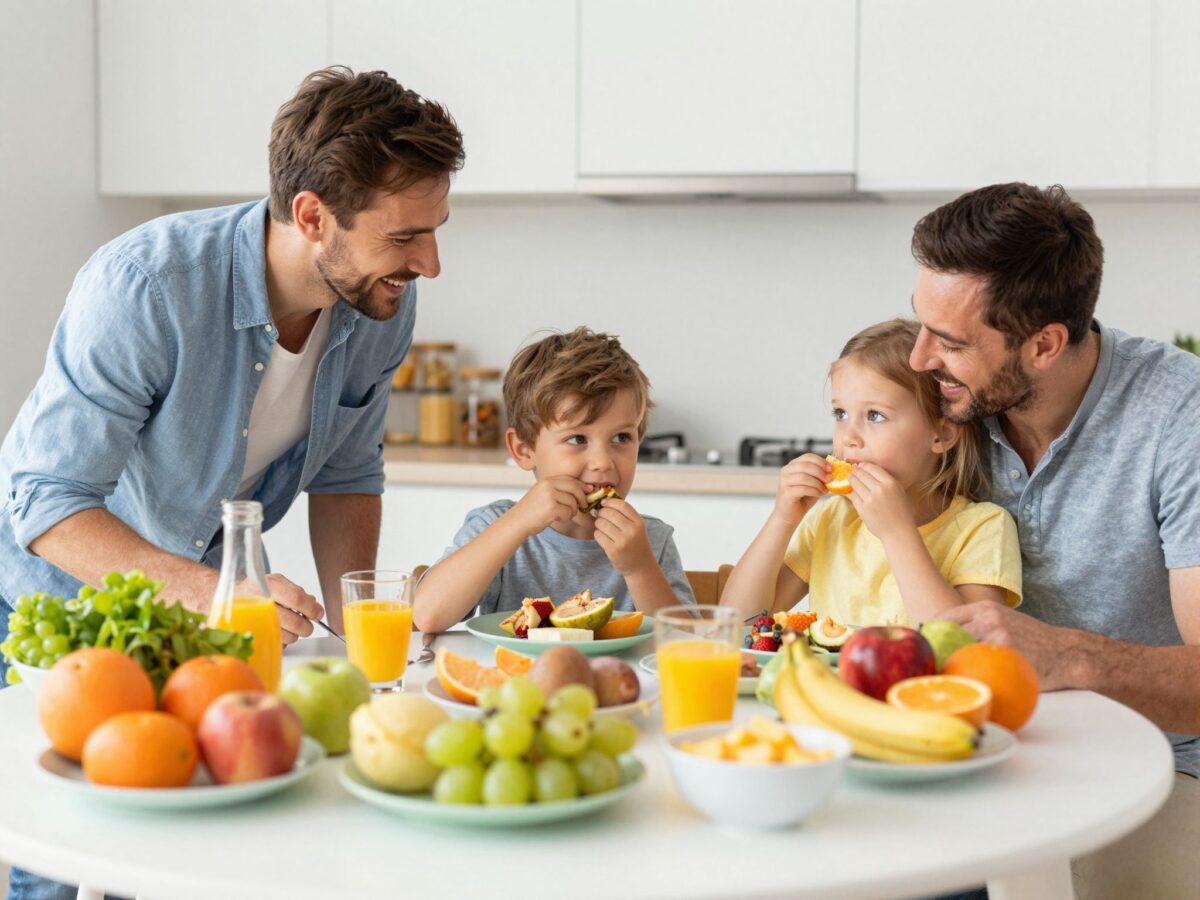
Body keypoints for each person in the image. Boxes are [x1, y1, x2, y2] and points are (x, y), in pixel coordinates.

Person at [0, 67, 462, 900]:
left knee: (185, 835)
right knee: (67, 859)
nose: (429, 261)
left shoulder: (379, 302)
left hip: (194, 582)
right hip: (61, 584)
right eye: (404, 237)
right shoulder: (147, 286)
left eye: (434, 230)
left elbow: (349, 475)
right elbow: (46, 502)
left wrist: (365, 647)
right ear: (313, 216)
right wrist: (217, 595)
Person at [907, 182, 1200, 900]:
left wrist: (1066, 654)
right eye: (919, 326)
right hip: (973, 748)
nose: (919, 360)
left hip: (1159, 761)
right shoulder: (944, 406)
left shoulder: (1179, 418)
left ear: (1043, 344)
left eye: (948, 342)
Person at [721, 319, 1021, 629]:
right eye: (841, 414)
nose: (848, 437)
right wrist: (782, 519)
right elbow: (736, 622)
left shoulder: (983, 528)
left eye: (875, 415)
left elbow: (968, 645)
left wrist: (897, 533)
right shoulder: (831, 520)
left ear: (941, 435)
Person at [413, 327, 696, 632]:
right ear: (523, 450)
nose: (602, 462)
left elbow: (689, 649)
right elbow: (427, 615)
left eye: (621, 437)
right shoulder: (497, 525)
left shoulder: (651, 541)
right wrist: (516, 523)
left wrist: (640, 568)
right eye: (577, 438)